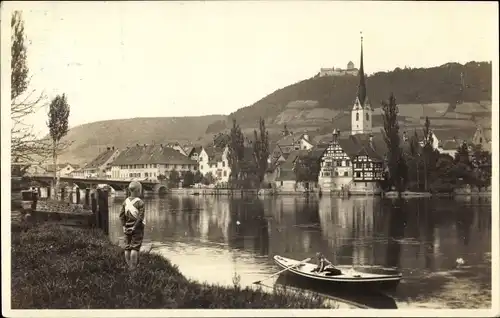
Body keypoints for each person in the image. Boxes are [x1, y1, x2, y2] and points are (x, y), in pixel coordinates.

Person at [119, 181, 146, 271]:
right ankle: (133, 267)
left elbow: (121, 215)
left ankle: (128, 265)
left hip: (127, 227)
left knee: (127, 247)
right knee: (135, 247)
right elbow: (140, 217)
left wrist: (123, 226)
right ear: (138, 191)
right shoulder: (140, 202)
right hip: (137, 228)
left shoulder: (125, 202)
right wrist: (135, 226)